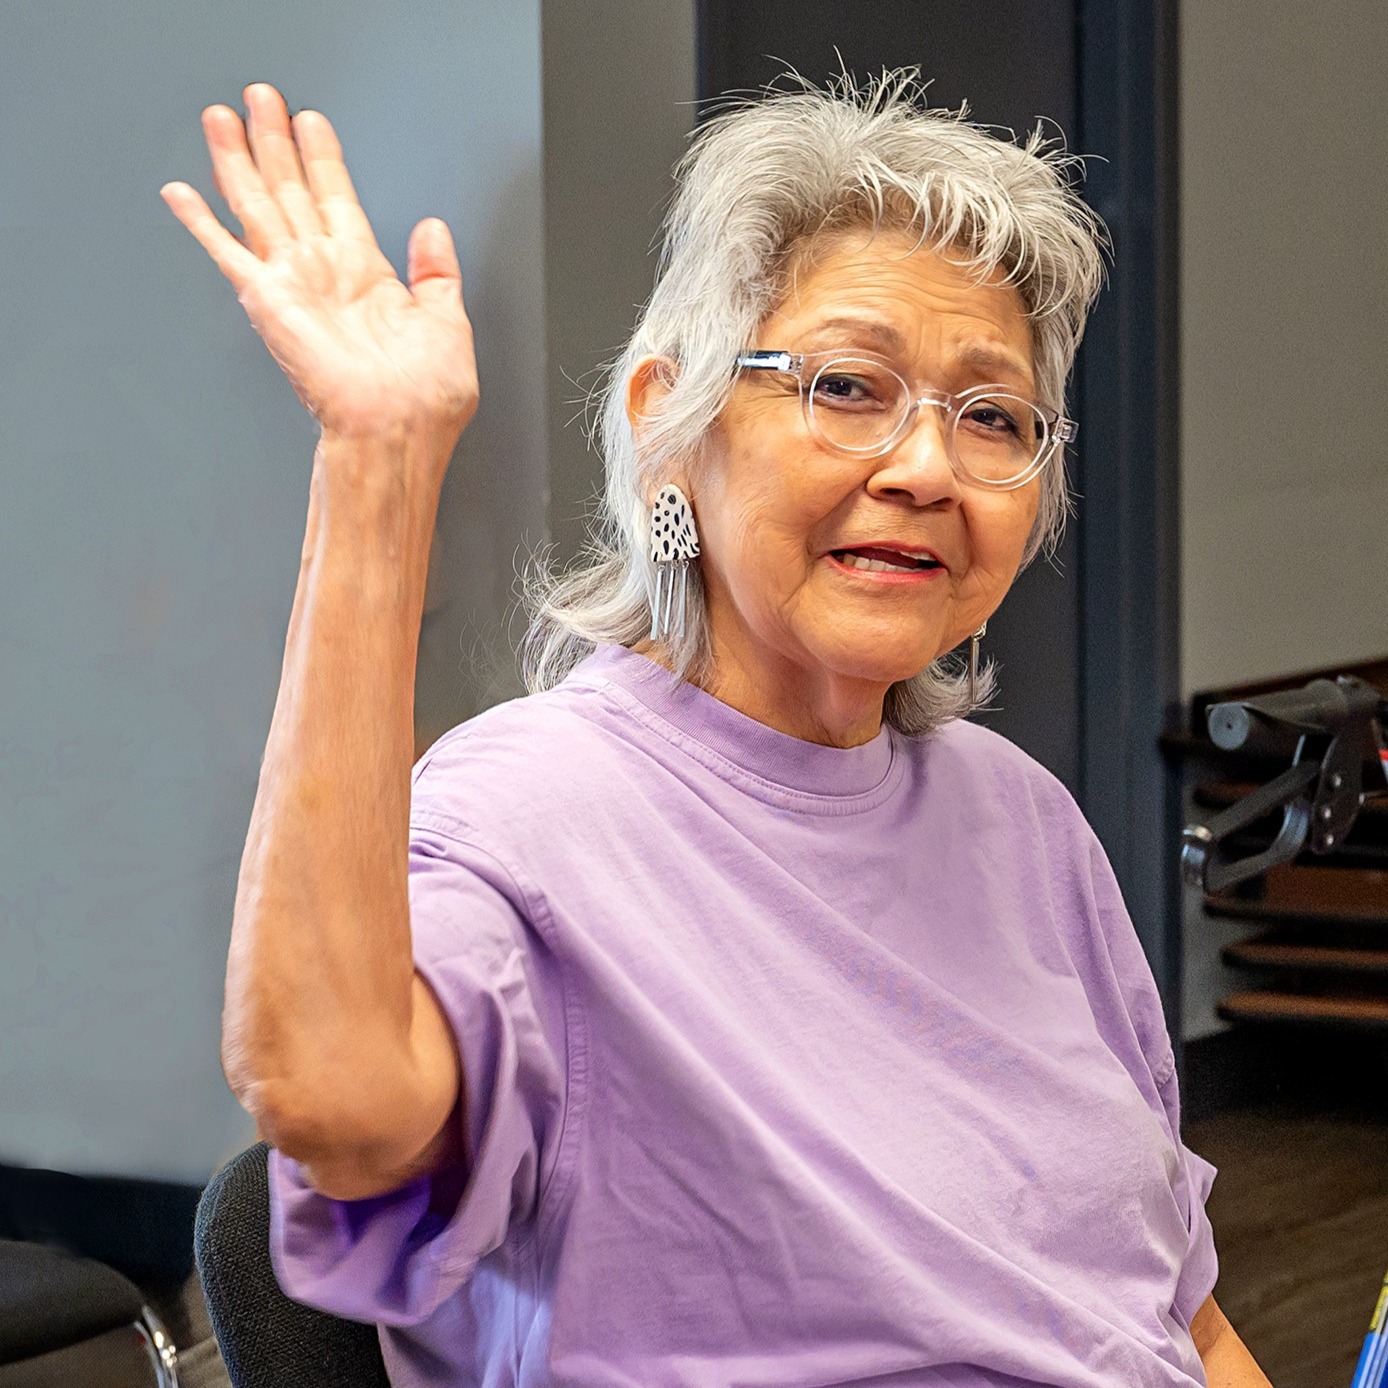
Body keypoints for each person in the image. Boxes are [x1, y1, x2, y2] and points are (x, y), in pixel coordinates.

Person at [162, 74, 1273, 1387]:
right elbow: (336, 1108)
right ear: (664, 428)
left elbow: (1171, 1308)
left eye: (992, 415)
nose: (925, 467)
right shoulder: (527, 815)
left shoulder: (1020, 816)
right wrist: (379, 468)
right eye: (849, 385)